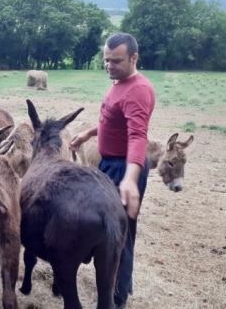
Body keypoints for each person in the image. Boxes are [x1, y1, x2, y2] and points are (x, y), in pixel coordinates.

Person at [69, 32, 156, 308]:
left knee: (120, 235)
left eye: (116, 61)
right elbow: (112, 120)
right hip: (109, 164)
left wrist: (130, 179)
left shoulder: (138, 90)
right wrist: (88, 134)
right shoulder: (119, 82)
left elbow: (137, 136)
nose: (109, 66)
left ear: (134, 57)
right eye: (106, 61)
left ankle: (118, 296)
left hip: (124, 167)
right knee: (105, 228)